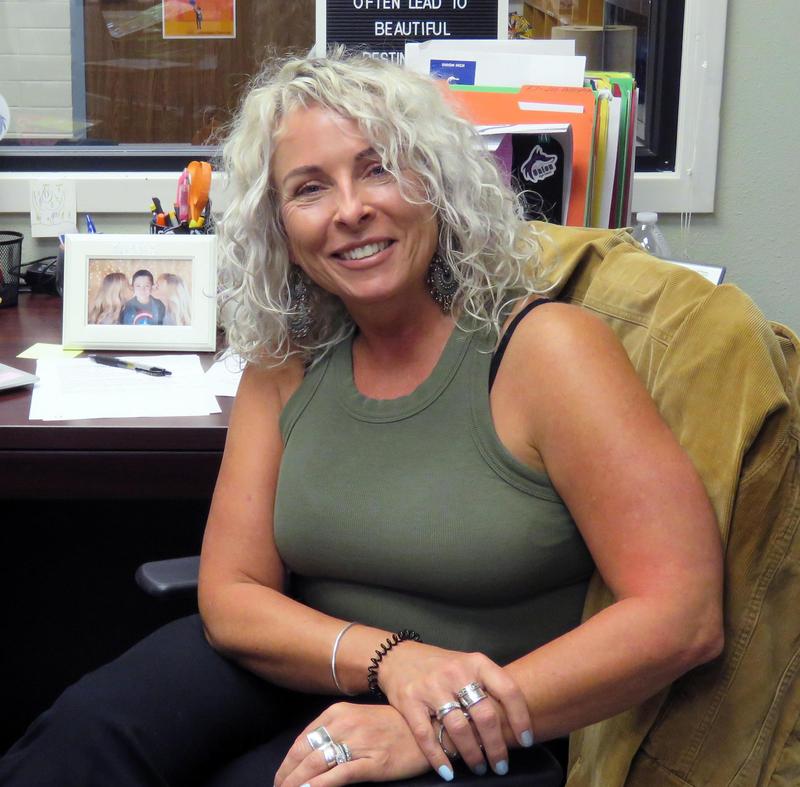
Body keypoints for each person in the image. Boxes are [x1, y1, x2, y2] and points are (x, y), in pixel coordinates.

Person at [0, 51, 724, 786]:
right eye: (310, 188)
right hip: (312, 666)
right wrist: (392, 660)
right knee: (77, 741)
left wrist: (440, 716)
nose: (349, 210)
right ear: (280, 228)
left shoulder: (546, 352)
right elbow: (232, 593)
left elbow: (682, 615)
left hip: (497, 718)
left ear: (437, 186)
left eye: (379, 169)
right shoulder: (285, 361)